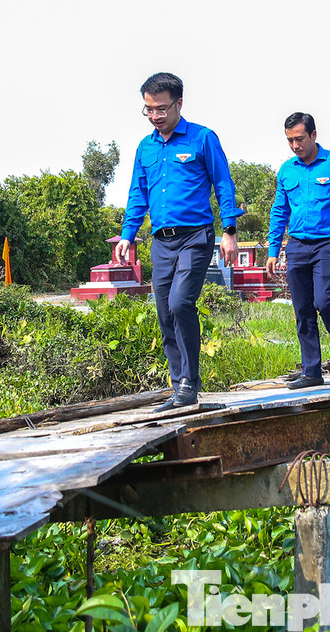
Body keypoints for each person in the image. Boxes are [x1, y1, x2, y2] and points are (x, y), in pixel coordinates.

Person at [118, 72, 241, 411]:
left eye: (161, 108)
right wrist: (128, 235)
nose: (155, 116)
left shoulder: (202, 138)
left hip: (195, 238)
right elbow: (137, 195)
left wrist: (229, 231)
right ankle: (179, 388)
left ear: (179, 103)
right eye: (148, 110)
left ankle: (190, 383)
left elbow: (223, 184)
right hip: (161, 242)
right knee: (163, 311)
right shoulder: (145, 148)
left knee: (180, 303)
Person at [265, 112, 330, 390]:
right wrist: (274, 250)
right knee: (303, 309)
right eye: (290, 141)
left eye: (299, 139)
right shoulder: (286, 170)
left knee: (324, 301)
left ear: (313, 135)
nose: (295, 145)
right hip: (296, 246)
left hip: (327, 243)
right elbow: (279, 211)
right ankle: (311, 370)